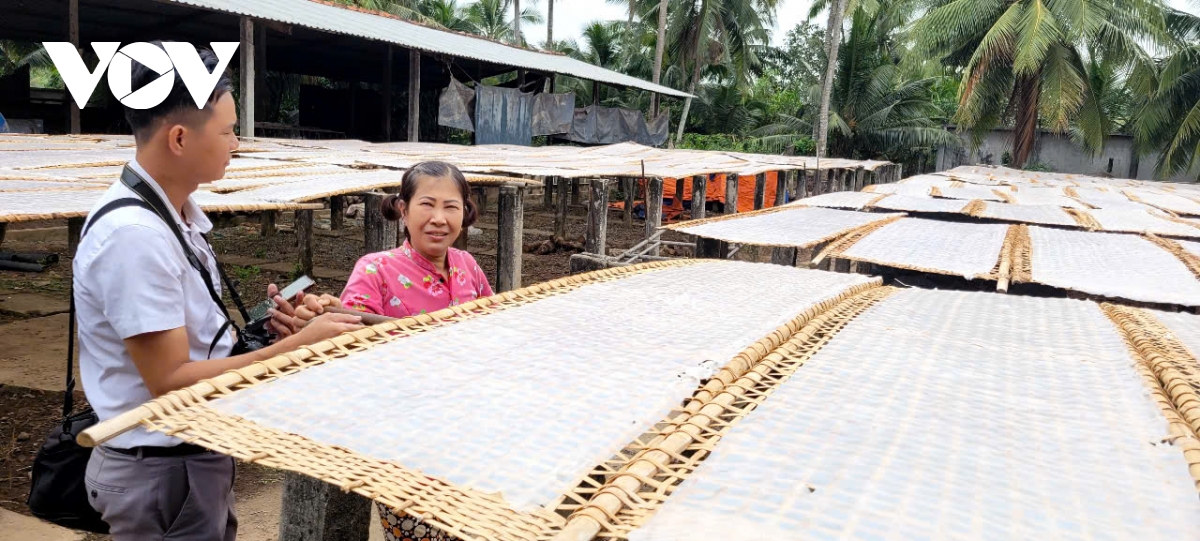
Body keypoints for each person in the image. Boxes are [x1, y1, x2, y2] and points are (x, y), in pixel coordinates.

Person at [74, 43, 363, 541]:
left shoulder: (173, 214)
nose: (237, 144)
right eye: (228, 131)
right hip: (163, 470)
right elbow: (171, 379)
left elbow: (194, 337)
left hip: (183, 462)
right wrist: (297, 348)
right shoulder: (135, 237)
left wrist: (272, 335)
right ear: (181, 138)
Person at [273, 161, 491, 541]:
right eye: (427, 204)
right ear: (403, 209)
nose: (439, 218)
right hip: (406, 444)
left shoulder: (468, 266)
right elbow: (349, 340)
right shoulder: (375, 270)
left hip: (471, 434)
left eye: (451, 207)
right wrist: (315, 318)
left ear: (465, 213)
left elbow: (495, 328)